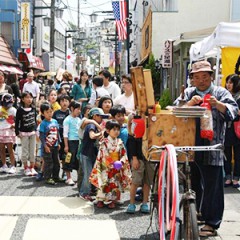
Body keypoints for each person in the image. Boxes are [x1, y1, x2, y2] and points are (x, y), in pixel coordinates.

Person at [174, 60, 239, 237]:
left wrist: (218, 104)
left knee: (213, 185)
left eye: (205, 76)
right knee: (192, 181)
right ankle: (197, 213)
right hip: (189, 145)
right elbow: (174, 112)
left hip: (213, 145)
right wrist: (188, 104)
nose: (201, 80)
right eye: (197, 77)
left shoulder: (221, 92)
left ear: (211, 77)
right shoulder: (187, 93)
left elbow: (234, 111)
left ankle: (211, 222)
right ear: (192, 79)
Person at [89, 120, 131, 209]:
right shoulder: (104, 142)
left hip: (117, 166)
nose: (116, 132)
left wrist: (122, 162)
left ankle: (112, 200)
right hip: (106, 166)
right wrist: (111, 163)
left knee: (114, 183)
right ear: (107, 131)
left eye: (118, 130)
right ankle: (100, 199)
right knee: (104, 182)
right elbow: (103, 154)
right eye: (114, 129)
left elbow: (123, 153)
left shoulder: (120, 142)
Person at [126, 114, 154, 214]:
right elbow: (131, 144)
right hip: (138, 158)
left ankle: (145, 203)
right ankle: (132, 203)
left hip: (149, 158)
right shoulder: (134, 128)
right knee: (135, 181)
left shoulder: (151, 126)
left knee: (147, 182)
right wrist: (134, 158)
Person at [79, 107, 104, 201]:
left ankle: (88, 191)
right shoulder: (91, 126)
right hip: (86, 154)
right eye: (100, 116)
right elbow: (92, 135)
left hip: (90, 153)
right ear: (95, 116)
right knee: (88, 174)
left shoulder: (94, 125)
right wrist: (101, 133)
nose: (101, 119)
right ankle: (84, 192)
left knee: (91, 173)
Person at [15, 92, 37, 176]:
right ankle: (26, 168)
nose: (29, 99)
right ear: (23, 99)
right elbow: (17, 122)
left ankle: (32, 167)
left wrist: (36, 130)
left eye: (31, 97)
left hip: (32, 133)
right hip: (23, 133)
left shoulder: (34, 108)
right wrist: (17, 132)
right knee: (24, 151)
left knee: (32, 151)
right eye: (27, 97)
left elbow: (34, 120)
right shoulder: (20, 110)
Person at [224, 74, 240, 188]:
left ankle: (236, 178)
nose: (228, 85)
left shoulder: (239, 96)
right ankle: (228, 177)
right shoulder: (224, 96)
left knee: (238, 155)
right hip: (227, 128)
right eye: (227, 82)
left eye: (231, 82)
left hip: (237, 129)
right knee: (226, 154)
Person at [39, 102, 61, 185]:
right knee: (49, 162)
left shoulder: (55, 121)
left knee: (56, 162)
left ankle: (56, 177)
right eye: (47, 112)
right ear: (43, 113)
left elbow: (57, 132)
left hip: (55, 145)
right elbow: (41, 136)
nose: (49, 114)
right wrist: (45, 146)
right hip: (47, 146)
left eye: (51, 111)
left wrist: (59, 142)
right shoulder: (43, 123)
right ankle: (48, 177)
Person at [63, 101, 81, 186]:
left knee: (78, 159)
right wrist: (66, 145)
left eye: (80, 109)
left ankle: (79, 177)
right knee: (69, 159)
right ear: (72, 109)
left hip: (78, 141)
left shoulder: (79, 119)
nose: (79, 111)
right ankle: (68, 177)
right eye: (77, 109)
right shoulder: (67, 120)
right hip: (71, 142)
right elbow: (65, 134)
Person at [0, 93, 17, 174]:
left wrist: (14, 125)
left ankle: (13, 166)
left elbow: (18, 120)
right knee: (1, 148)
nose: (7, 106)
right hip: (1, 130)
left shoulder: (13, 110)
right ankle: (4, 165)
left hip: (9, 131)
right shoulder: (0, 109)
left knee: (10, 149)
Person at [53, 94, 70, 163]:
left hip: (68, 137)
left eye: (66, 101)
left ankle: (65, 170)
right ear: (59, 102)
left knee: (66, 155)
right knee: (58, 155)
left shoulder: (70, 113)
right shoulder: (56, 113)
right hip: (58, 137)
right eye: (62, 101)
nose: (64, 103)